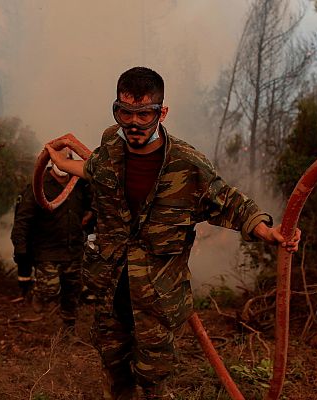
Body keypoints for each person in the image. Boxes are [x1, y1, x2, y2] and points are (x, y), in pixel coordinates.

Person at [46, 66, 301, 399]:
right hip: (110, 291)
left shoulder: (186, 164)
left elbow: (228, 202)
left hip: (157, 300)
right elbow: (94, 168)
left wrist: (269, 231)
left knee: (152, 376)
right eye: (125, 112)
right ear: (116, 110)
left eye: (144, 114)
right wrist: (64, 166)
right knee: (113, 365)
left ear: (162, 112)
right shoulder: (110, 145)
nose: (133, 123)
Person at [10, 150, 92, 333]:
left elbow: (93, 207)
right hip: (46, 250)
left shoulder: (81, 184)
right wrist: (21, 251)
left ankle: (68, 328)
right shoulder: (37, 185)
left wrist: (90, 217)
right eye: (58, 158)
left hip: (74, 250)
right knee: (50, 288)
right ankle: (38, 294)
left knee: (73, 290)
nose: (62, 164)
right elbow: (22, 221)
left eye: (67, 159)